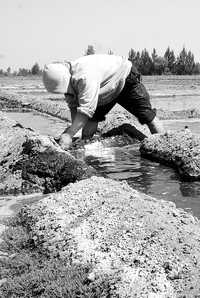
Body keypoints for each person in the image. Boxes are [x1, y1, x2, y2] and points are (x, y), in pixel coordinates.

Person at [43, 54, 163, 150]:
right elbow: (74, 107)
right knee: (92, 120)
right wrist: (73, 130)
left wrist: (69, 134)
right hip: (104, 88)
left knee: (147, 116)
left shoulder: (84, 76)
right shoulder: (68, 84)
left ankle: (163, 145)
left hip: (124, 78)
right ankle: (86, 148)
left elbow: (85, 111)